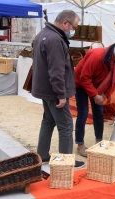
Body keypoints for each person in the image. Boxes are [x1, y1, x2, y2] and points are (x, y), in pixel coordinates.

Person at [31, 10, 85, 168]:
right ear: (65, 23)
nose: (73, 30)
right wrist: (61, 94)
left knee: (48, 121)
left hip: (45, 89)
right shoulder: (55, 39)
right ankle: (67, 161)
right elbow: (56, 71)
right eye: (73, 26)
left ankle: (42, 155)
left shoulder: (43, 34)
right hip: (53, 91)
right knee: (66, 125)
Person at [75, 41, 115, 157]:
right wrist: (95, 95)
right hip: (80, 84)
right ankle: (80, 145)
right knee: (83, 113)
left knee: (99, 113)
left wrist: (104, 96)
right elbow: (84, 78)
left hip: (99, 86)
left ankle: (99, 142)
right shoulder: (96, 56)